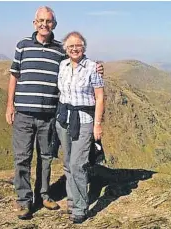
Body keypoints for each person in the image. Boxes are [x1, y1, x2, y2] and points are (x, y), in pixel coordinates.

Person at [5, 6, 104, 220]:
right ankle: (24, 201)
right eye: (40, 21)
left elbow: (76, 62)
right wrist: (9, 105)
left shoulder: (61, 49)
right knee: (22, 158)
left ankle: (43, 195)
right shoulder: (22, 45)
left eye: (48, 21)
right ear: (34, 23)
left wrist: (98, 67)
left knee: (46, 158)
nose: (44, 24)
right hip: (23, 113)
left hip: (50, 114)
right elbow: (14, 76)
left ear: (54, 25)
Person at [55, 31, 105, 224]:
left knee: (78, 164)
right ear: (65, 49)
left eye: (78, 46)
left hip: (84, 119)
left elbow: (100, 97)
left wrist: (97, 125)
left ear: (84, 47)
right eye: (70, 46)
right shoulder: (63, 65)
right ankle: (72, 200)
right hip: (64, 119)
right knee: (68, 163)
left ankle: (81, 207)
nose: (74, 49)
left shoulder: (93, 67)